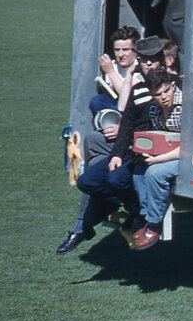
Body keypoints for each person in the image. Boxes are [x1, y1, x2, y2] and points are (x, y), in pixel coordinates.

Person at [59, 37, 168, 254]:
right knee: (87, 182)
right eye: (144, 60)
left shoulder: (167, 85)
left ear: (161, 61)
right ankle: (131, 209)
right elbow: (126, 118)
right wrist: (117, 153)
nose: (149, 65)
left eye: (153, 60)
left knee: (115, 178)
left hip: (152, 151)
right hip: (131, 148)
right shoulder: (138, 83)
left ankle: (101, 221)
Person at [130, 70, 183, 250]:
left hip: (186, 156)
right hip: (167, 154)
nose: (164, 98)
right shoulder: (154, 108)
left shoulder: (186, 106)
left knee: (154, 172)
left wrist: (158, 159)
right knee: (138, 170)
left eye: (166, 91)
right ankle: (146, 216)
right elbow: (159, 138)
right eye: (158, 95)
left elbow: (191, 145)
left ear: (173, 86)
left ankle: (154, 224)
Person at [89, 26, 141, 115]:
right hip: (115, 106)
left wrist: (110, 72)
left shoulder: (140, 67)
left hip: (134, 109)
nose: (120, 55)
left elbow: (128, 98)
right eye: (117, 50)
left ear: (135, 50)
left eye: (125, 50)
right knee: (97, 101)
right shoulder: (112, 64)